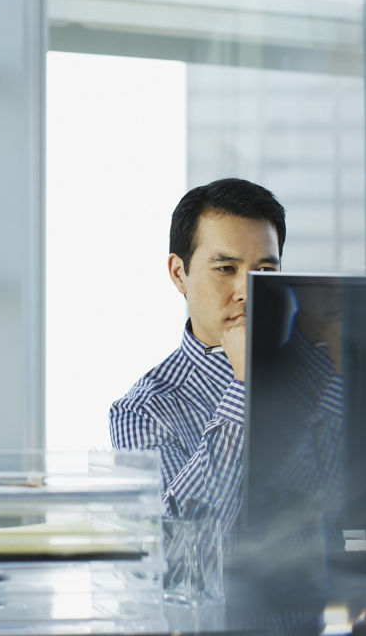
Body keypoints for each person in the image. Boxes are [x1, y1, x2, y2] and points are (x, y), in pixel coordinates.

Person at [108, 177, 286, 535]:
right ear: (179, 273)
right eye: (225, 269)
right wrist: (243, 385)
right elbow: (184, 542)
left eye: (265, 272)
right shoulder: (144, 411)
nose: (247, 292)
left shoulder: (316, 372)